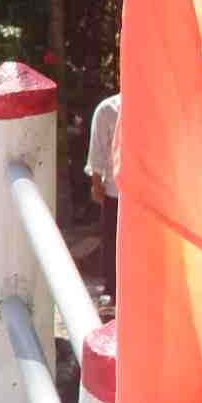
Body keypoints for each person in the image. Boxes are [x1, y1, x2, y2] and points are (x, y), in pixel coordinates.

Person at [85, 90, 122, 289]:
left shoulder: (153, 106)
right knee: (112, 242)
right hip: (115, 191)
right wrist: (97, 184)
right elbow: (97, 153)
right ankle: (112, 289)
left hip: (146, 194)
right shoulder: (107, 109)